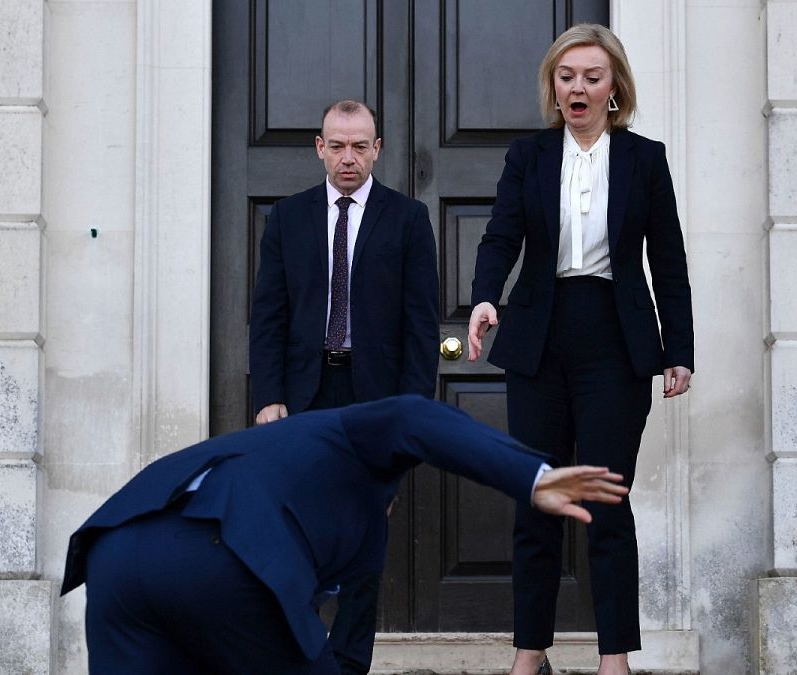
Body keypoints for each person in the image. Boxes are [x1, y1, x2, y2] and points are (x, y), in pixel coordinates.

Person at [61, 395, 629, 675]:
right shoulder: (348, 437)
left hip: (114, 549)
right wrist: (529, 477)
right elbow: (414, 416)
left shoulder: (276, 455)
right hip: (220, 551)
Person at [467, 24, 693, 675]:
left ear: (614, 86)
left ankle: (613, 657)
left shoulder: (645, 159)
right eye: (567, 76)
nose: (578, 88)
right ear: (553, 84)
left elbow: (668, 261)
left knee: (605, 501)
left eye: (592, 77)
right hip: (539, 336)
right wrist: (486, 296)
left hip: (616, 343)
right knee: (535, 498)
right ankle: (529, 649)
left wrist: (678, 348)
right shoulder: (529, 156)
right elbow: (501, 236)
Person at [248, 99, 439, 673]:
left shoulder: (407, 219)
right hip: (304, 396)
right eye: (337, 145)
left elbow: (421, 325)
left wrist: (409, 411)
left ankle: (349, 661)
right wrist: (267, 397)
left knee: (363, 533)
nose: (348, 157)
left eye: (360, 146)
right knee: (297, 528)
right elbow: (270, 316)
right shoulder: (287, 218)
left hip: (374, 399)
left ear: (377, 149)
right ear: (319, 147)